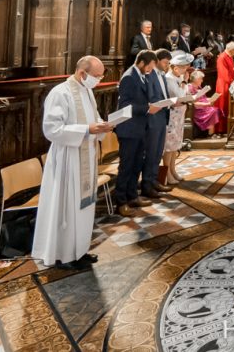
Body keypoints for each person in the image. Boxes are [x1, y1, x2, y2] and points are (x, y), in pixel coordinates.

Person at [31, 56, 113, 269]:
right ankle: (63, 255)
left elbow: (92, 120)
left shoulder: (87, 92)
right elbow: (51, 130)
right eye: (96, 76)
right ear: (82, 73)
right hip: (67, 160)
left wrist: (103, 126)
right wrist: (86, 130)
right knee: (67, 208)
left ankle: (79, 250)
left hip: (85, 156)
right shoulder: (60, 93)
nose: (99, 80)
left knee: (83, 208)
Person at [115, 51, 163, 216]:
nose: (150, 70)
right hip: (128, 129)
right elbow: (125, 106)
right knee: (126, 166)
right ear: (142, 62)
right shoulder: (129, 77)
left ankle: (132, 196)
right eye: (149, 66)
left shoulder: (141, 75)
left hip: (139, 127)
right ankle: (121, 202)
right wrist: (148, 108)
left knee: (136, 165)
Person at [142, 49, 174, 198]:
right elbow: (149, 96)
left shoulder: (161, 74)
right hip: (153, 116)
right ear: (157, 61)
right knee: (151, 151)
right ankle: (147, 184)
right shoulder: (150, 74)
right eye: (166, 63)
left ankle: (154, 180)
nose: (167, 66)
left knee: (158, 151)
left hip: (162, 116)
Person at [163, 51, 192, 185]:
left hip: (179, 114)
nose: (186, 70)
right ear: (175, 68)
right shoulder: (169, 79)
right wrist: (185, 81)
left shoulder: (178, 78)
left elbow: (186, 93)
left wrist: (184, 83)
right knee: (169, 145)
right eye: (184, 67)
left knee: (175, 145)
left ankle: (173, 170)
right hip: (172, 115)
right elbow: (179, 94)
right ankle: (166, 174)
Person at [215, 41, 234, 137]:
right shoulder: (222, 57)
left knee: (227, 106)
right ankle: (220, 129)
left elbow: (232, 71)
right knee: (222, 105)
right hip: (223, 84)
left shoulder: (230, 56)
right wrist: (233, 82)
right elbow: (224, 74)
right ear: (231, 50)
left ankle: (227, 128)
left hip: (229, 83)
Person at [187, 70, 221, 136]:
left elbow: (203, 99)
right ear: (196, 79)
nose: (202, 80)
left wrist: (212, 99)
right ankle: (210, 134)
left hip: (204, 108)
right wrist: (207, 104)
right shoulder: (190, 87)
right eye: (201, 79)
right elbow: (194, 103)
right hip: (197, 110)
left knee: (216, 109)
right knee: (213, 111)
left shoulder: (199, 87)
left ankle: (210, 132)